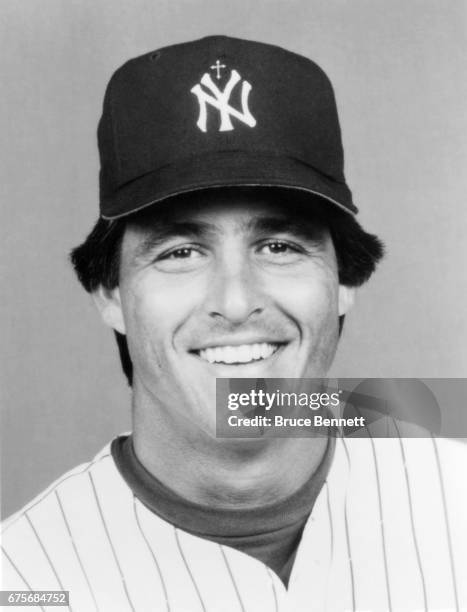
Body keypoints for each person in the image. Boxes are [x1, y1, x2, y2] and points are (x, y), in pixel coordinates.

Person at [2, 35, 466, 612]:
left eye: (278, 245)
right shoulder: (21, 580)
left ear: (345, 278)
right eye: (179, 252)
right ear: (111, 293)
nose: (237, 301)